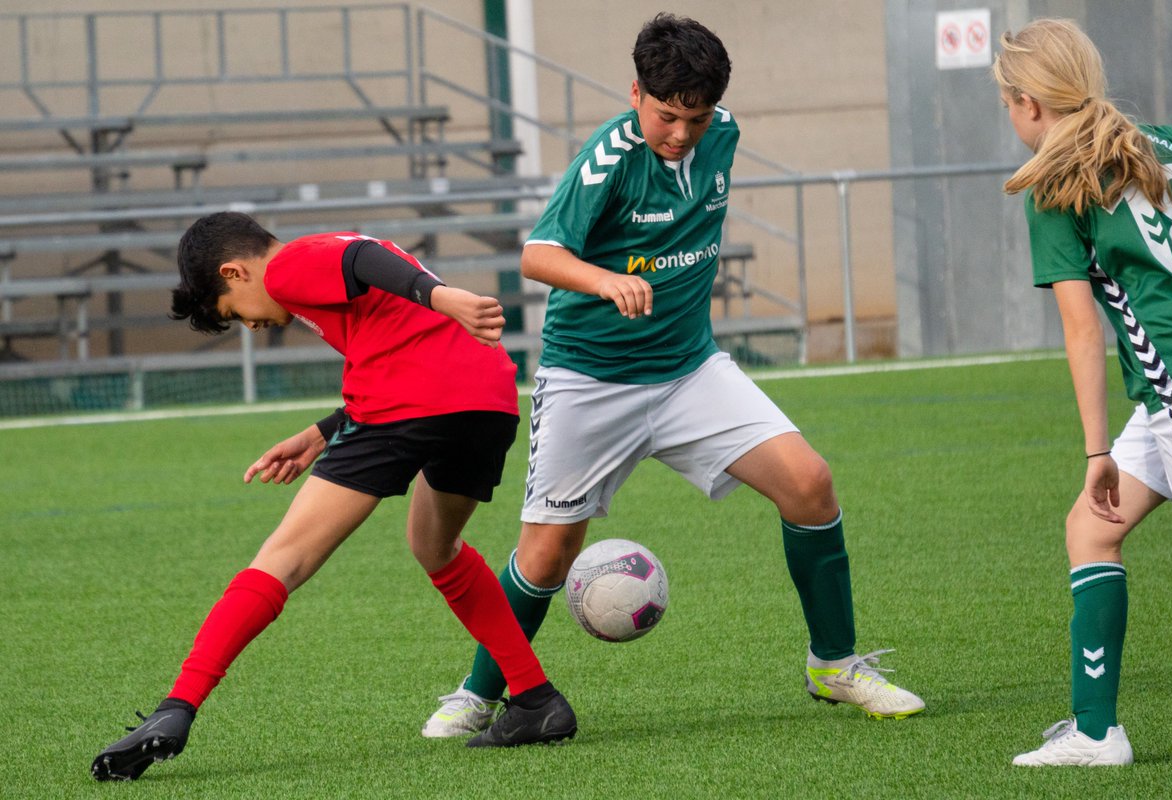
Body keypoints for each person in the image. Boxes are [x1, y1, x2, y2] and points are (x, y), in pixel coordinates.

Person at [421, 13, 924, 742]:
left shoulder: (724, 132)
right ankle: (478, 692)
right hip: (590, 379)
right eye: (666, 115)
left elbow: (704, 128)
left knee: (810, 484)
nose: (682, 133)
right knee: (546, 553)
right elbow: (538, 254)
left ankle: (834, 664)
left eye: (697, 116)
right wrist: (603, 280)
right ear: (635, 93)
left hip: (690, 370)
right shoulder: (609, 157)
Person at [90, 212, 577, 781]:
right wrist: (320, 434)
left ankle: (177, 707)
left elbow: (360, 261)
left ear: (236, 271)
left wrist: (443, 296)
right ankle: (535, 699)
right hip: (486, 402)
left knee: (282, 559)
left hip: (412, 404)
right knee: (434, 545)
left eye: (232, 312)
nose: (250, 325)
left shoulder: (288, 266)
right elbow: (398, 338)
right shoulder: (320, 266)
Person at [995, 18, 1172, 767]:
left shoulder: (1055, 183)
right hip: (1170, 396)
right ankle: (1094, 731)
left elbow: (1082, 331)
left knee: (1095, 500)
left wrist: (1093, 450)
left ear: (1027, 103)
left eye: (1007, 104)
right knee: (1092, 528)